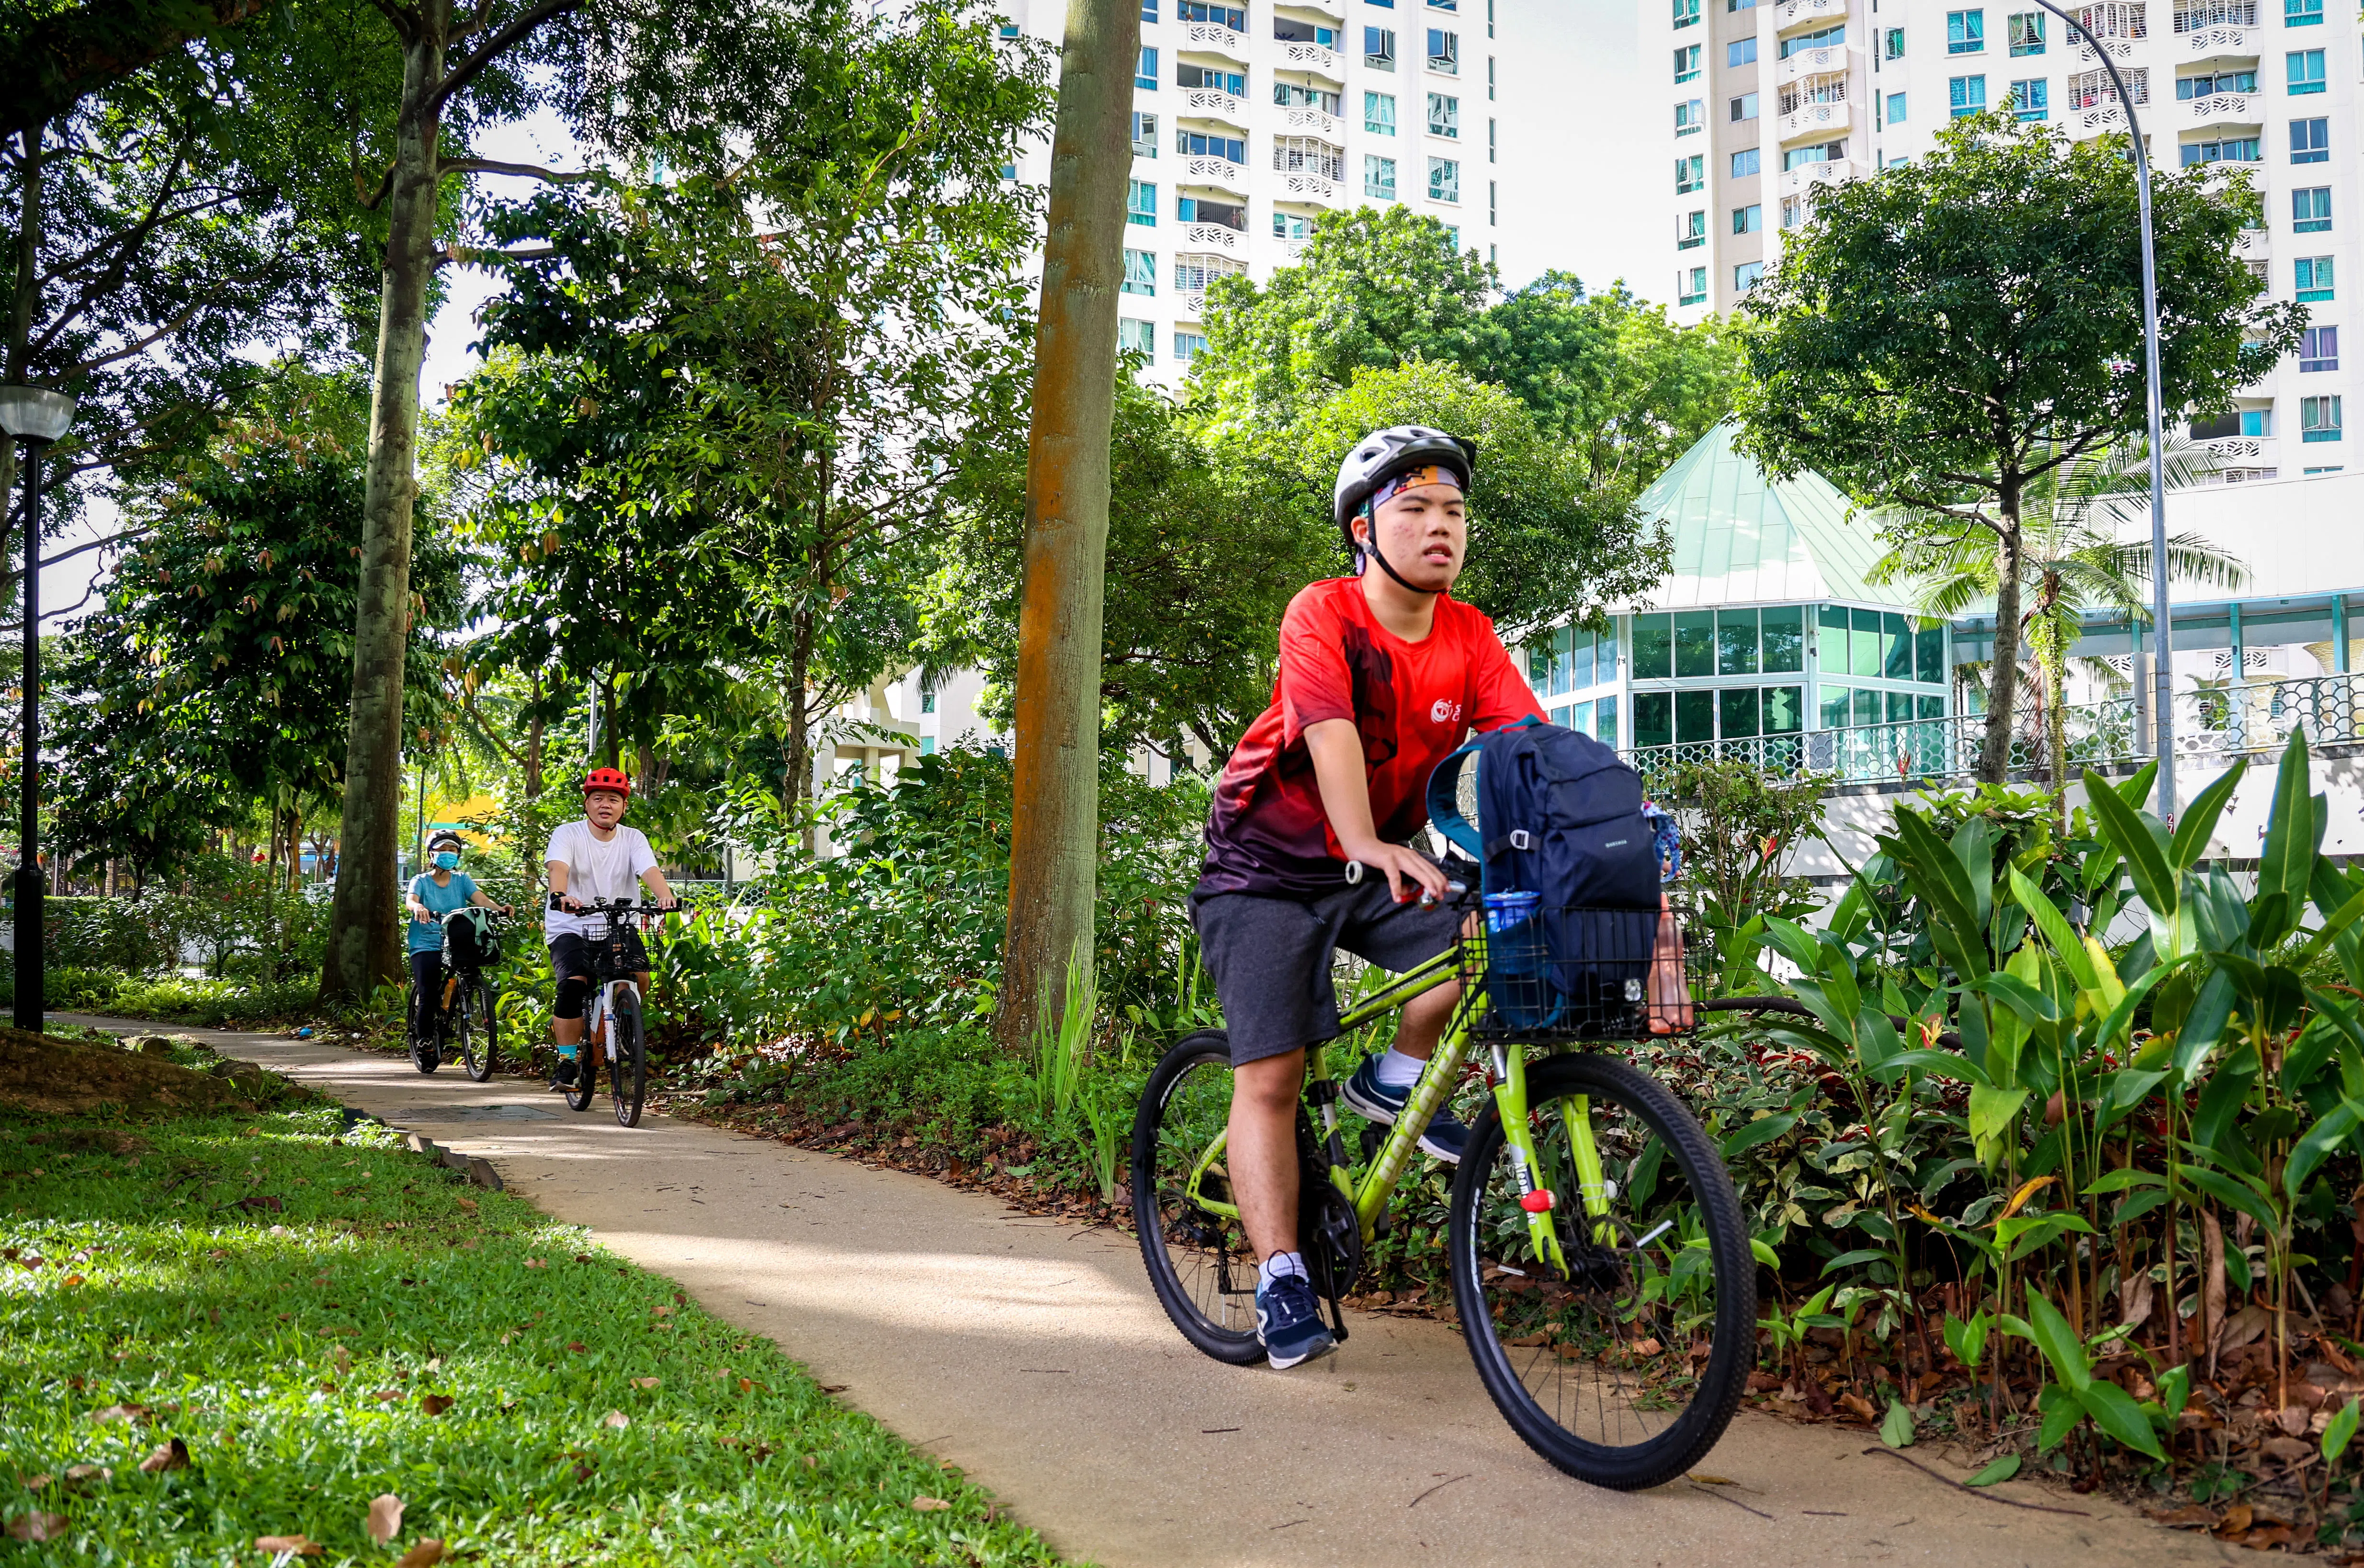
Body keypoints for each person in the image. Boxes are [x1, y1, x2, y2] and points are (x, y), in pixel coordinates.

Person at [1188, 425, 1548, 1370]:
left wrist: (1608, 822)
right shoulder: (1324, 612)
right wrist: (1362, 839)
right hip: (1265, 867)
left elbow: (1532, 748)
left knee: (1479, 943)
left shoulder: (1467, 633)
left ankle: (1390, 1081)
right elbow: (1331, 733)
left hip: (1372, 856)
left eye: (1454, 512)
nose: (1441, 527)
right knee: (1268, 1074)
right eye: (1416, 508)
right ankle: (1278, 1277)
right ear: (1362, 528)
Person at [544, 767, 677, 1089]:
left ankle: (620, 1026)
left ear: (623, 806)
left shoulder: (633, 837)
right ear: (587, 804)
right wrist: (560, 896)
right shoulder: (568, 833)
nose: (606, 805)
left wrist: (665, 896)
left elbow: (649, 869)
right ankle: (566, 1062)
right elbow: (558, 868)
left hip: (617, 922)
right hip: (571, 925)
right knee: (574, 985)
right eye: (598, 798)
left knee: (639, 976)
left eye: (613, 799)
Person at [404, 831, 511, 1069]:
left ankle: (463, 1007)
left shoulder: (462, 880)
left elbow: (479, 898)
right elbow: (410, 900)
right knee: (429, 993)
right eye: (443, 850)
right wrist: (419, 907)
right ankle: (424, 1041)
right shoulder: (420, 881)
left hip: (455, 942)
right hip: (426, 943)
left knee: (472, 973)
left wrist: (499, 909)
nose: (448, 854)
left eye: (453, 850)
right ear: (432, 853)